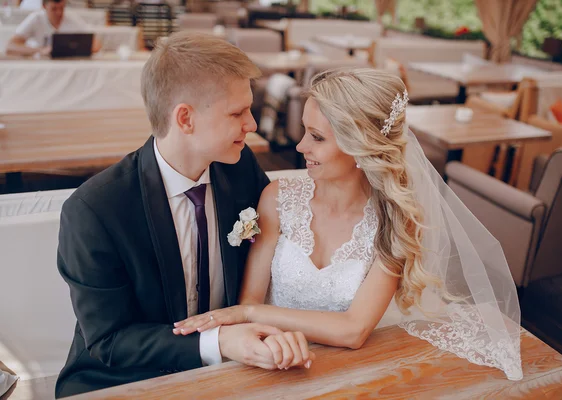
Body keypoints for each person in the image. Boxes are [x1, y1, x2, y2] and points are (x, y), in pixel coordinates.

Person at [174, 68, 524, 381]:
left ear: (360, 147)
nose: (300, 145)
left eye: (317, 137)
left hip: (356, 371)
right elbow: (250, 303)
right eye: (305, 133)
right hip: (272, 361)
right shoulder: (277, 199)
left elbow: (354, 330)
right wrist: (267, 331)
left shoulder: (397, 220)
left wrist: (249, 312)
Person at [55, 32, 313, 398]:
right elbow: (110, 342)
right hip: (123, 381)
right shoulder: (95, 211)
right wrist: (219, 341)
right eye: (238, 112)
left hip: (233, 373)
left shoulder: (240, 171)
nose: (252, 124)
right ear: (185, 118)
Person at [7, 0, 101, 57]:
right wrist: (40, 50)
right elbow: (10, 47)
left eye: (62, 8)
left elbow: (96, 45)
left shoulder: (72, 18)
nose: (59, 13)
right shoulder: (36, 18)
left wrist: (73, 49)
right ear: (44, 6)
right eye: (54, 9)